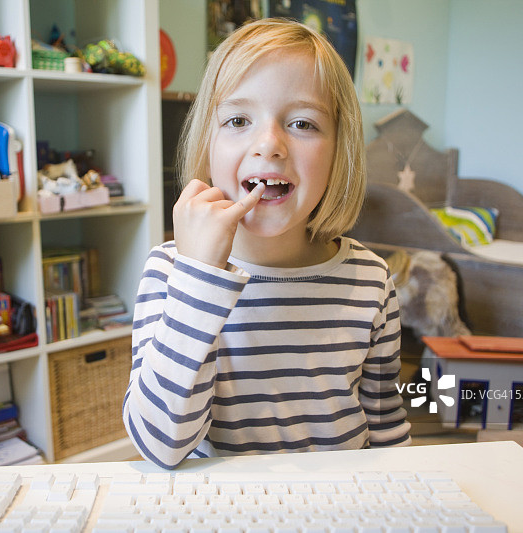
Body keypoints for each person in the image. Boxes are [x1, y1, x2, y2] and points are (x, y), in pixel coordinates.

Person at [123, 18, 411, 469]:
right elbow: (161, 445)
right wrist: (200, 278)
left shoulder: (369, 280)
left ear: (340, 151)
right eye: (238, 119)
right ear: (208, 144)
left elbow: (386, 423)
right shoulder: (169, 272)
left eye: (302, 123)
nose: (268, 144)